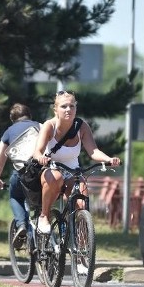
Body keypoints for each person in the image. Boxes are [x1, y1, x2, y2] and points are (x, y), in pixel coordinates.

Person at [32, 90, 121, 234]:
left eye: (72, 106)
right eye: (64, 106)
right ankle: (44, 216)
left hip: (73, 172)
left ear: (76, 108)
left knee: (81, 203)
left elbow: (93, 151)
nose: (68, 110)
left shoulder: (82, 127)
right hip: (51, 169)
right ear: (55, 109)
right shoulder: (50, 126)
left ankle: (81, 245)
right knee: (56, 177)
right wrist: (41, 158)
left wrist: (109, 159)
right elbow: (37, 151)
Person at [0, 103, 40, 248]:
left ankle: (21, 225)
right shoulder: (40, 126)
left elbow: (0, 161)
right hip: (41, 172)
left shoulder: (8, 132)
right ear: (29, 115)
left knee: (15, 196)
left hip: (22, 173)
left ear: (12, 119)